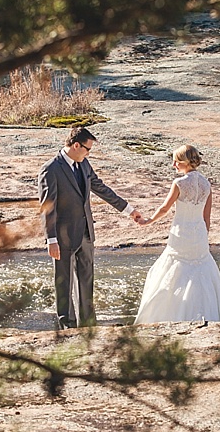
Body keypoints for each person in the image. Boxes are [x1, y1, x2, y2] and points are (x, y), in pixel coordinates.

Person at [39, 127, 144, 329]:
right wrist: (51, 239)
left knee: (86, 280)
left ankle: (88, 325)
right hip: (62, 237)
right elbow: (47, 206)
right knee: (64, 283)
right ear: (76, 145)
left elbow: (101, 188)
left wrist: (129, 210)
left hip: (86, 233)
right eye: (87, 149)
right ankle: (67, 326)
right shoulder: (50, 169)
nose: (89, 153)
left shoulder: (84, 164)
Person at [134, 144, 220, 324]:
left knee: (174, 269)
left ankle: (169, 315)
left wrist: (147, 221)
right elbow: (207, 216)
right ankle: (208, 314)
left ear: (184, 161)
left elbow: (165, 208)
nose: (174, 165)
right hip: (199, 234)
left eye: (176, 161)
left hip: (181, 233)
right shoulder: (206, 184)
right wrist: (203, 236)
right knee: (201, 271)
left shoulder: (179, 183)